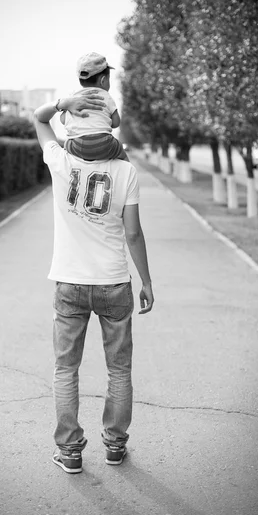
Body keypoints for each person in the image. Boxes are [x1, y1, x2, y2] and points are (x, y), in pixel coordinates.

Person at [34, 91, 154, 474]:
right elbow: (133, 234)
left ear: (75, 129)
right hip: (114, 284)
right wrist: (147, 282)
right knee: (118, 369)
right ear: (109, 132)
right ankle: (115, 446)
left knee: (65, 368)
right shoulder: (126, 172)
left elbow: (39, 120)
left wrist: (62, 101)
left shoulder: (60, 160)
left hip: (69, 283)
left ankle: (69, 452)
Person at [59, 52, 129, 161]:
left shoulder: (72, 98)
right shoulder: (106, 96)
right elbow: (116, 123)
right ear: (103, 80)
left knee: (66, 146)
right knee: (122, 155)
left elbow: (63, 120)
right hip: (104, 145)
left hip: (77, 146)